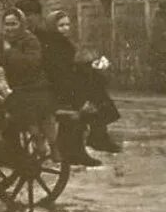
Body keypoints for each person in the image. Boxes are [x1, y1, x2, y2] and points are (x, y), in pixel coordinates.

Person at [18, 0, 121, 154]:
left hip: (56, 79)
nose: (26, 21)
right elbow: (53, 66)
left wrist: (86, 67)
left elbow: (62, 63)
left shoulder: (45, 35)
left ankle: (95, 136)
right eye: (23, 17)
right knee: (88, 91)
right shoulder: (31, 37)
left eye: (28, 16)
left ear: (37, 16)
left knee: (93, 82)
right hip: (46, 83)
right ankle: (96, 136)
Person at [43, 10, 121, 157]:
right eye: (61, 25)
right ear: (53, 27)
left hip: (68, 84)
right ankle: (97, 137)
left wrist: (91, 65)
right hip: (59, 87)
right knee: (94, 92)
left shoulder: (65, 43)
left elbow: (73, 66)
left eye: (67, 24)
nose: (66, 28)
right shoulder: (52, 45)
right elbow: (60, 72)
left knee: (96, 85)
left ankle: (96, 138)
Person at [0, 8, 58, 159]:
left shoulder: (30, 40)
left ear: (21, 24)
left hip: (33, 84)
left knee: (39, 107)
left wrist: (10, 52)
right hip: (11, 85)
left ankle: (52, 145)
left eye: (14, 24)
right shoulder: (0, 42)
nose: (10, 28)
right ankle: (25, 143)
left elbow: (32, 63)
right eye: (7, 24)